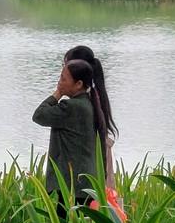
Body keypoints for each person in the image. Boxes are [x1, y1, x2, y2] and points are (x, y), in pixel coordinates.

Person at [32, 59, 105, 206]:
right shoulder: (88, 104)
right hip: (85, 183)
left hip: (72, 185)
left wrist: (57, 94)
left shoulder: (71, 107)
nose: (59, 82)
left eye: (63, 79)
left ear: (78, 84)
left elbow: (39, 116)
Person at [64, 46, 117, 185]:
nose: (62, 73)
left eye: (66, 68)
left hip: (91, 164)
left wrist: (57, 93)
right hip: (100, 159)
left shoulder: (80, 103)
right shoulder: (95, 96)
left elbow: (41, 115)